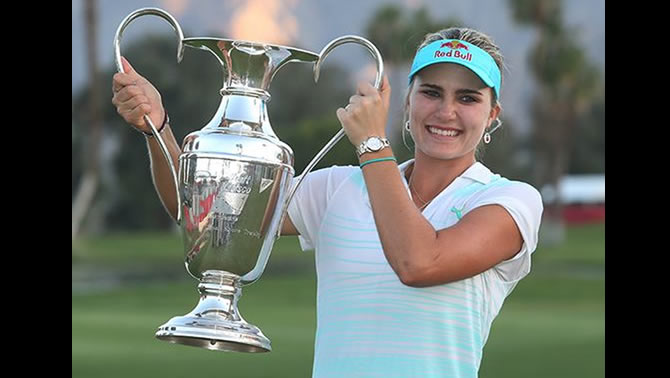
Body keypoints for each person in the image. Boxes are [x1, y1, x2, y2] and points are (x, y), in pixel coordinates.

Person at [113, 27, 543, 378]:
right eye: (431, 92)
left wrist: (373, 144)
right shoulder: (338, 188)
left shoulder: (509, 200)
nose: (446, 111)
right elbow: (205, 218)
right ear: (407, 100)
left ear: (492, 115)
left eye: (468, 98)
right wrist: (158, 128)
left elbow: (419, 263)